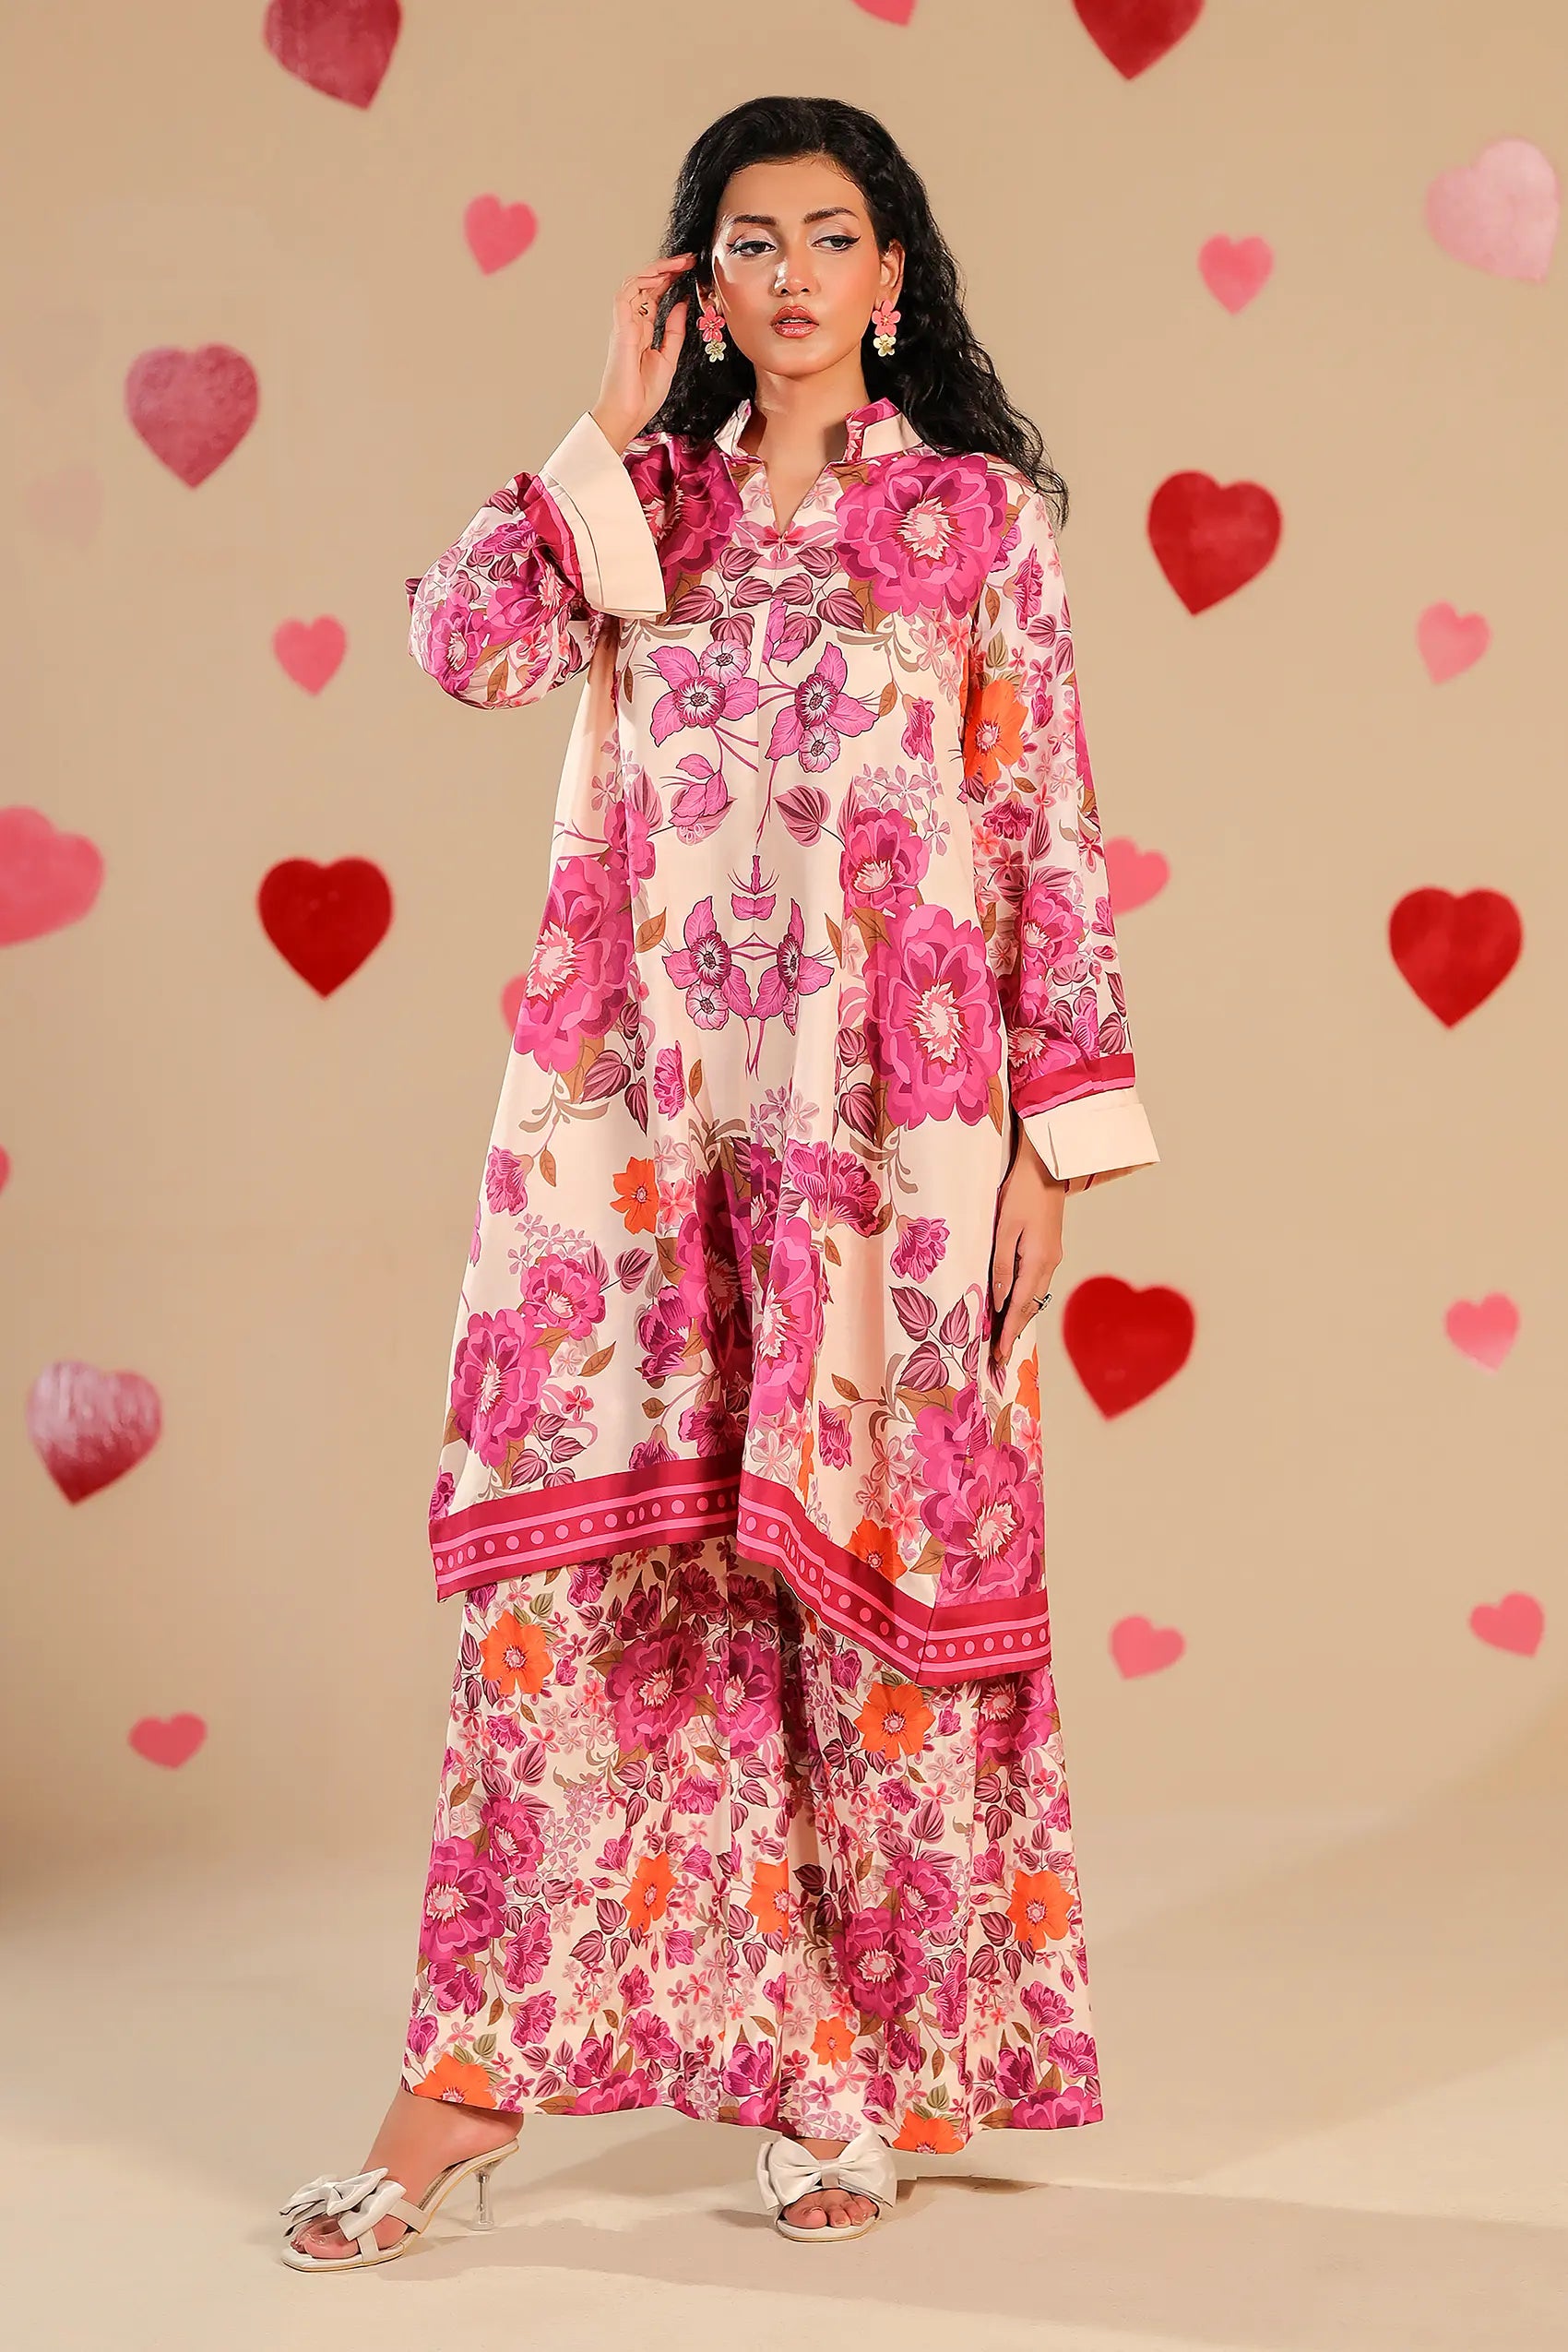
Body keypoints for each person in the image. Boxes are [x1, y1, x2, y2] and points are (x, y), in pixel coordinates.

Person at [281, 92, 1158, 2270]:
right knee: (580, 1590)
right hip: (630, 1139)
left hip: (894, 1140)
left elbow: (1044, 829)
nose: (788, 276)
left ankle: (834, 2075)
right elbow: (464, 650)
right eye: (746, 241)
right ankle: (461, 2085)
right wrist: (598, 421)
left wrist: (1056, 1143)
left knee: (851, 1581)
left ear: (892, 275)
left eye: (828, 236)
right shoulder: (633, 509)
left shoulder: (973, 523)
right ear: (695, 279)